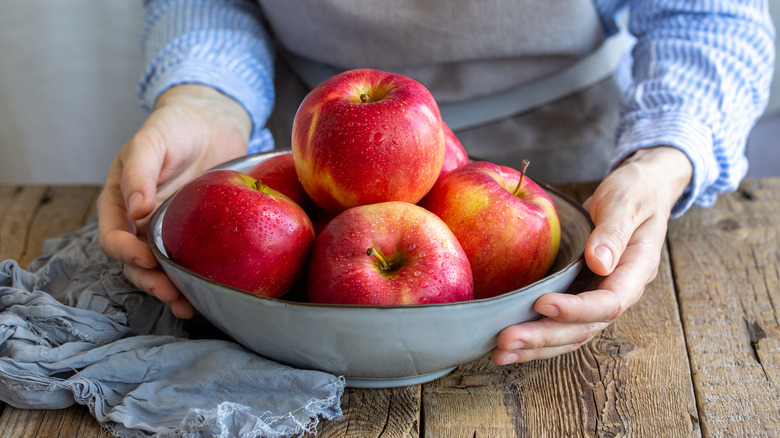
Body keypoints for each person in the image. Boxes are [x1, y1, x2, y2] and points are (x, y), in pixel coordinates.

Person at [97, 0, 775, 365]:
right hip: (306, 174)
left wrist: (659, 162)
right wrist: (203, 99)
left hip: (571, 165)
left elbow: (705, 11)